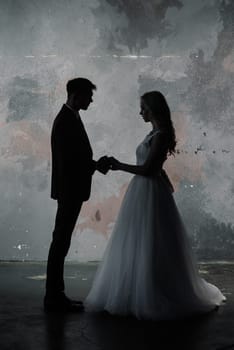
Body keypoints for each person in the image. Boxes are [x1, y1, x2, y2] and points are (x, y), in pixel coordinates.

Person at [85, 90, 226, 320]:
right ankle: (139, 288)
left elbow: (149, 170)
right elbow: (156, 167)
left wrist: (119, 165)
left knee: (149, 241)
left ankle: (150, 291)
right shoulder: (154, 133)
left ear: (152, 109)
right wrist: (167, 182)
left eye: (143, 108)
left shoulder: (160, 135)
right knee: (142, 240)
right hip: (145, 191)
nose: (140, 112)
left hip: (148, 191)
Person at [44, 78, 109, 312]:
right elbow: (70, 163)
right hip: (69, 192)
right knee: (61, 241)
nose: (91, 100)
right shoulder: (65, 122)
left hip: (70, 191)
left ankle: (55, 295)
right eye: (88, 96)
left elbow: (74, 159)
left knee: (61, 240)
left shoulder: (70, 117)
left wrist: (94, 165)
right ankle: (54, 296)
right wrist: (95, 165)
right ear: (76, 95)